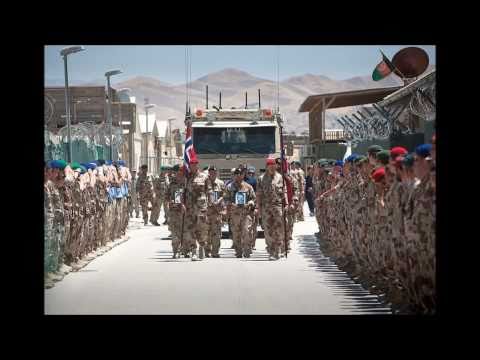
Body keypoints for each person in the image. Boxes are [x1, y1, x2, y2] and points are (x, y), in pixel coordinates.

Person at [256, 158, 288, 260]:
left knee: (279, 229)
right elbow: (259, 195)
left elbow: (284, 192)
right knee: (268, 230)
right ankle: (271, 250)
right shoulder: (261, 179)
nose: (272, 167)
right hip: (266, 207)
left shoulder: (280, 177)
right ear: (267, 167)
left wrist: (286, 204)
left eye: (274, 166)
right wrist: (259, 209)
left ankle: (278, 250)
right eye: (270, 166)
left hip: (277, 206)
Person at [183, 158, 211, 261]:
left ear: (197, 165)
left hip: (201, 208)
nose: (193, 166)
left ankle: (202, 247)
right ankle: (193, 250)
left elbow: (209, 192)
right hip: (190, 207)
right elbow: (184, 192)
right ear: (189, 166)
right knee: (191, 229)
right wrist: (183, 204)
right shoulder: (187, 177)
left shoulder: (204, 177)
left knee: (202, 228)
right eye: (191, 164)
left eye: (195, 164)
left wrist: (210, 205)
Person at [225, 168, 256, 258]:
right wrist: (231, 204)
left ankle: (246, 250)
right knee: (236, 233)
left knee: (246, 231)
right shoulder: (229, 187)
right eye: (236, 174)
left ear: (243, 175)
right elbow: (225, 198)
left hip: (246, 213)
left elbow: (253, 198)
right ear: (234, 175)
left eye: (240, 174)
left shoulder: (248, 186)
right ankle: (238, 251)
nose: (238, 175)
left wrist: (250, 203)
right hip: (235, 214)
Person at [206, 165, 225, 258]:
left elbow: (224, 194)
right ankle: (207, 251)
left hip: (217, 212)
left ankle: (215, 251)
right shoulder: (205, 182)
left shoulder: (220, 183)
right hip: (207, 211)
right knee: (206, 232)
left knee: (216, 233)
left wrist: (219, 201)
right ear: (208, 173)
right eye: (211, 172)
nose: (213, 173)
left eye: (214, 172)